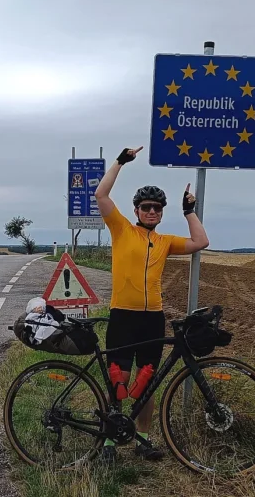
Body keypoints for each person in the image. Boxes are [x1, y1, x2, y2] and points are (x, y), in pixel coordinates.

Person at [93, 145, 210, 463]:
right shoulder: (121, 230)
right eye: (146, 207)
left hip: (151, 319)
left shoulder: (164, 241)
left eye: (157, 208)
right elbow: (101, 196)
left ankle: (143, 439)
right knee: (119, 380)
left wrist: (189, 212)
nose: (152, 212)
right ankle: (109, 443)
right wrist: (120, 162)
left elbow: (201, 242)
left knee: (147, 381)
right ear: (136, 210)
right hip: (122, 316)